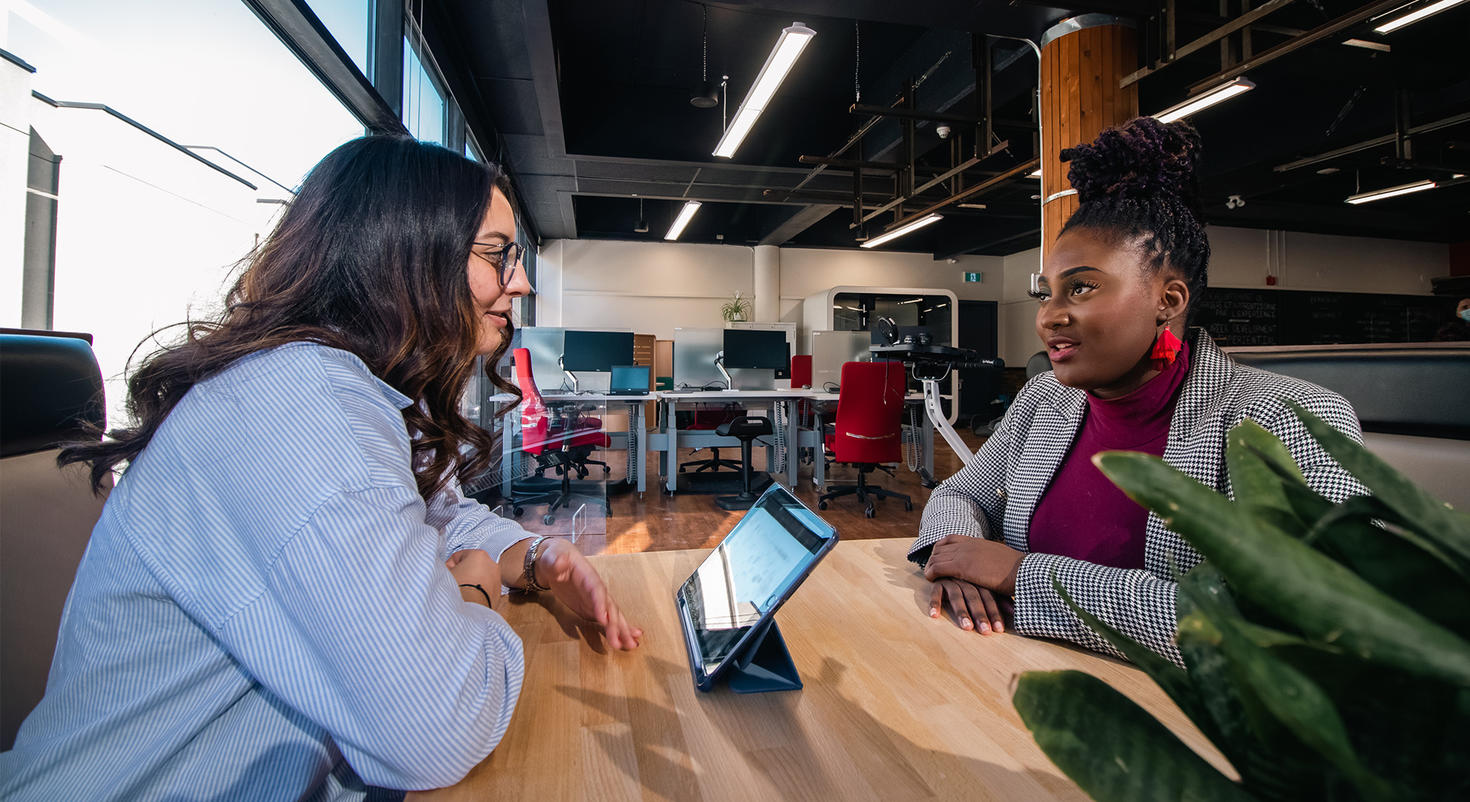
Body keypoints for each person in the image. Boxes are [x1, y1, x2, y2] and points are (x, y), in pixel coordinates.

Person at [1, 136, 641, 800]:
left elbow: (434, 520)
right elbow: (437, 724)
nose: (522, 281)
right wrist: (475, 594)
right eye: (497, 253)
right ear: (406, 253)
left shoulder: (352, 394)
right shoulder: (302, 409)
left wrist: (535, 555)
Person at [909, 118, 1366, 667]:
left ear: (1168, 300)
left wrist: (1014, 573)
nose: (1050, 316)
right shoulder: (1044, 400)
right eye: (1046, 293)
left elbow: (1300, 619)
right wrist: (960, 558)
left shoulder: (1280, 416)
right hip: (1006, 677)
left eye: (1081, 287)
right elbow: (959, 495)